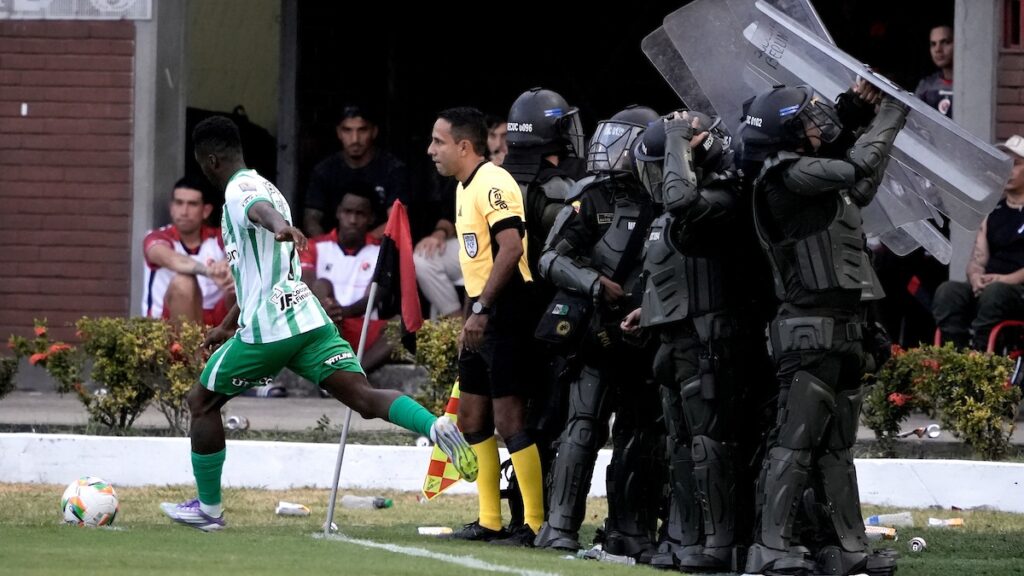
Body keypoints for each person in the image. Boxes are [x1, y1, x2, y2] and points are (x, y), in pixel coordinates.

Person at [160, 116, 477, 531]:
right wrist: (227, 325)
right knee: (363, 397)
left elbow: (262, 214)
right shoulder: (266, 184)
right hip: (306, 319)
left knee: (200, 402)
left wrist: (280, 226)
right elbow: (260, 272)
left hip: (271, 329)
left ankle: (208, 510)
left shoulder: (241, 191)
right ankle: (436, 426)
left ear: (211, 160)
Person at [739, 82, 907, 576]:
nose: (819, 126)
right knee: (793, 445)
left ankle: (848, 550)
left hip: (841, 327)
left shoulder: (808, 174)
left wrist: (858, 110)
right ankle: (770, 549)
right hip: (805, 329)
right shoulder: (784, 175)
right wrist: (893, 113)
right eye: (807, 120)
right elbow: (858, 168)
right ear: (789, 131)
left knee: (836, 451)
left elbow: (858, 182)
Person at [621, 110, 775, 571]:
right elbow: (680, 275)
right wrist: (646, 312)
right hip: (677, 340)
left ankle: (720, 543)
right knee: (682, 445)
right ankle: (685, 539)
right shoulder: (693, 205)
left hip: (714, 342)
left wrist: (677, 143)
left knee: (713, 444)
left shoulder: (724, 199)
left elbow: (683, 207)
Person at [533, 105, 663, 558]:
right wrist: (592, 283)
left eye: (622, 139)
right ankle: (560, 526)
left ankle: (630, 529)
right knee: (582, 426)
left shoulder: (672, 196)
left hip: (651, 338)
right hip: (598, 334)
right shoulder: (592, 196)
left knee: (642, 433)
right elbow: (549, 259)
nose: (610, 149)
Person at [427, 106, 544, 546]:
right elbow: (477, 262)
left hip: (508, 307)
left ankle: (534, 523)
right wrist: (470, 314)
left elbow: (511, 250)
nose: (431, 150)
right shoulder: (463, 187)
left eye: (438, 142)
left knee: (510, 419)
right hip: (484, 311)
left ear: (464, 146)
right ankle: (490, 520)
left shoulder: (494, 181)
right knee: (473, 419)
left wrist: (481, 310)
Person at [932, 134, 1024, 350]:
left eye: (1016, 164)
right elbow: (978, 259)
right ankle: (954, 359)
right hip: (992, 288)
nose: (1008, 170)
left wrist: (1005, 279)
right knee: (948, 292)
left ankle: (981, 362)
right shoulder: (992, 212)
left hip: (1015, 290)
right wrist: (975, 277)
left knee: (995, 294)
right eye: (1004, 165)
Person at [301, 182, 393, 372]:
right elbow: (306, 284)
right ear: (338, 213)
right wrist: (331, 311)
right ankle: (343, 375)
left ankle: (354, 373)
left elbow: (374, 298)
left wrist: (344, 312)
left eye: (360, 214)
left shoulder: (381, 251)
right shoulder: (314, 246)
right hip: (326, 323)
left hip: (361, 324)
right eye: (348, 212)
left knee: (400, 327)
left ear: (371, 218)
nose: (352, 219)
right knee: (322, 284)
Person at [303, 105, 409, 237]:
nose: (355, 139)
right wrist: (328, 247)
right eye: (347, 130)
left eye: (362, 130)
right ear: (339, 133)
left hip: (379, 250)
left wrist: (362, 248)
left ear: (374, 132)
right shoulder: (324, 171)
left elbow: (397, 220)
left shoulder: (392, 169)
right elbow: (311, 219)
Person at [142, 176, 234, 326]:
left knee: (238, 283)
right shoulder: (156, 238)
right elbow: (172, 259)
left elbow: (247, 258)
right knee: (184, 282)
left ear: (206, 211)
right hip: (166, 327)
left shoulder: (220, 238)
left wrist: (229, 266)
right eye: (179, 203)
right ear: (172, 208)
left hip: (215, 321)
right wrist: (210, 271)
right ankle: (188, 349)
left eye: (192, 204)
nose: (184, 211)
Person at [915, 24, 954, 118]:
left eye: (945, 42)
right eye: (933, 44)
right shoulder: (926, 86)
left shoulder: (970, 86)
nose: (938, 49)